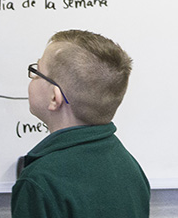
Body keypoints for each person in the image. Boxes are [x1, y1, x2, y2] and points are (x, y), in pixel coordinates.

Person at [12, 30, 150, 218]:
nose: (32, 77)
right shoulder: (129, 166)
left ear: (55, 97)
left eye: (37, 72)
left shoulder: (39, 181)